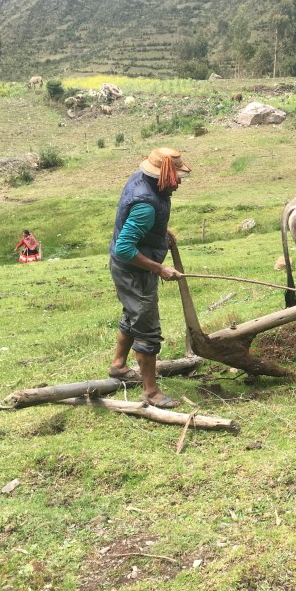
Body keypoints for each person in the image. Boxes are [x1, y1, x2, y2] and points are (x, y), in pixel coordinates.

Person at [107, 147, 191, 408]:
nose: (178, 184)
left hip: (132, 266)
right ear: (163, 177)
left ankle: (118, 366)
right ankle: (151, 392)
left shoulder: (143, 182)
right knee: (147, 327)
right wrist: (159, 268)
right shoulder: (145, 205)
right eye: (176, 178)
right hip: (134, 271)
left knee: (133, 315)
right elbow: (124, 248)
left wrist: (160, 230)